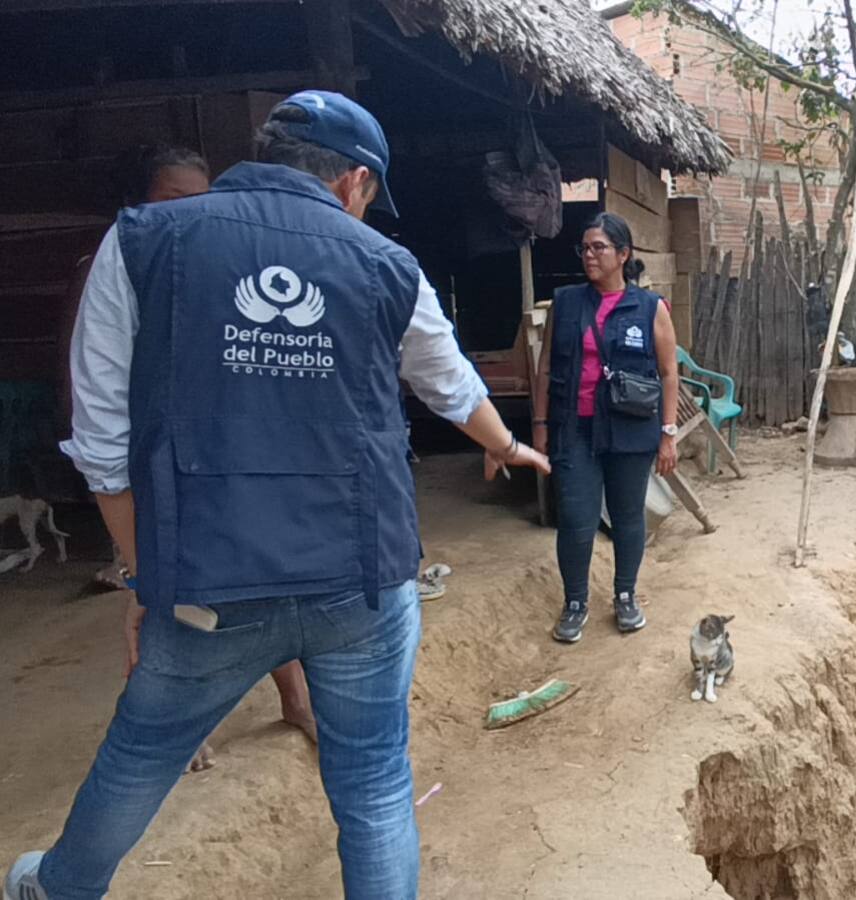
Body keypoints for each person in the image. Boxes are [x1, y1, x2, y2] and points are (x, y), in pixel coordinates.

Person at [4, 90, 549, 900]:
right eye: (369, 197)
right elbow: (447, 381)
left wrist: (140, 569)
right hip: (362, 580)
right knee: (373, 784)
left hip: (206, 582)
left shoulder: (144, 241)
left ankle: (59, 887)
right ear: (353, 182)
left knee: (141, 751)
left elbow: (103, 437)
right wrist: (505, 445)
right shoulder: (387, 265)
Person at [57, 145, 317, 772]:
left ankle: (294, 696)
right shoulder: (116, 260)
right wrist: (112, 477)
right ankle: (181, 723)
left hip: (214, 447)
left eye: (203, 198)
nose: (193, 211)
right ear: (143, 202)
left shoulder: (214, 260)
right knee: (164, 595)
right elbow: (88, 380)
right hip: (146, 456)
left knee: (255, 578)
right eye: (176, 199)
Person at [532, 212, 679, 644]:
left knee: (628, 516)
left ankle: (625, 594)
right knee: (576, 519)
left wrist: (667, 433)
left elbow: (670, 373)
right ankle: (575, 602)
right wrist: (540, 424)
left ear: (623, 254)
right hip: (573, 429)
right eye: (586, 248)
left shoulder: (650, 308)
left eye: (600, 248)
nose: (590, 256)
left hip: (631, 430)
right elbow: (545, 368)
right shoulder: (567, 302)